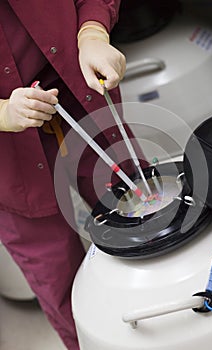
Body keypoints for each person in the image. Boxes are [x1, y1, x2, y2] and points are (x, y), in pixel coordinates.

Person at [0, 1, 141, 349]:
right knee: (61, 281)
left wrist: (92, 32)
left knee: (142, 223)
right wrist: (2, 112)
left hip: (80, 91)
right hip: (8, 159)